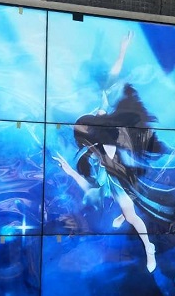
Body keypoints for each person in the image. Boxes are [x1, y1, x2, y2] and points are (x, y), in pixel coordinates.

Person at [53, 83, 163, 273]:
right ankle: (123, 214)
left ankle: (149, 247)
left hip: (122, 180)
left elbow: (103, 116)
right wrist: (69, 170)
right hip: (110, 182)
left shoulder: (106, 140)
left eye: (83, 129)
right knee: (110, 198)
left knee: (132, 216)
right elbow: (90, 186)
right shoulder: (93, 148)